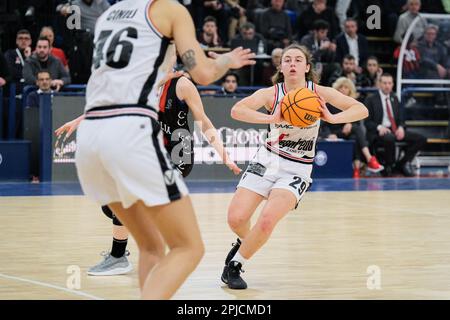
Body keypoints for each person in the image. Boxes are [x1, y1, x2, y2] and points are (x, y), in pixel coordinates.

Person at [73, 0, 254, 299]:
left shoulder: (107, 16)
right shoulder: (169, 10)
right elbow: (205, 73)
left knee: (151, 246)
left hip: (91, 137)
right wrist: (227, 61)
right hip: (130, 133)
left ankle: (120, 258)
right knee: (189, 247)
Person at [55, 45, 242, 276]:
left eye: (169, 54)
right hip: (149, 155)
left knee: (127, 202)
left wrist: (225, 156)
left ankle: (120, 256)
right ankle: (146, 243)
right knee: (111, 204)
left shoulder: (182, 85)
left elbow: (204, 123)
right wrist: (80, 120)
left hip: (177, 157)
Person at [220, 44, 368, 290]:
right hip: (267, 160)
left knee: (267, 221)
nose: (292, 63)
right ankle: (244, 243)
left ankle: (235, 265)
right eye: (287, 59)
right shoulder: (272, 93)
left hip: (297, 167)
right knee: (236, 218)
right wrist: (271, 118)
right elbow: (237, 110)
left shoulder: (319, 93)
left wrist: (331, 118)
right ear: (281, 66)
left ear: (307, 67)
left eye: (298, 60)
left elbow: (360, 109)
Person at [364, 73, 427, 177]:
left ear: (392, 84)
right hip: (379, 131)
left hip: (394, 129)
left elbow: (401, 118)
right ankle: (389, 165)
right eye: (384, 83)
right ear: (379, 84)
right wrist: (379, 127)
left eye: (389, 83)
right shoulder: (371, 99)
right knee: (389, 138)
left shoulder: (395, 98)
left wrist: (401, 127)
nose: (387, 86)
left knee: (421, 139)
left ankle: (400, 164)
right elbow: (367, 121)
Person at [321, 77, 383, 178]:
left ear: (350, 90)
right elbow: (323, 123)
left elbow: (358, 121)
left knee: (355, 136)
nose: (343, 89)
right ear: (336, 88)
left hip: (349, 133)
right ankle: (369, 158)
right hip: (334, 133)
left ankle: (356, 169)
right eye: (341, 87)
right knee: (356, 130)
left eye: (346, 87)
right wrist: (329, 134)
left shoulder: (353, 103)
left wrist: (349, 123)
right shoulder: (329, 104)